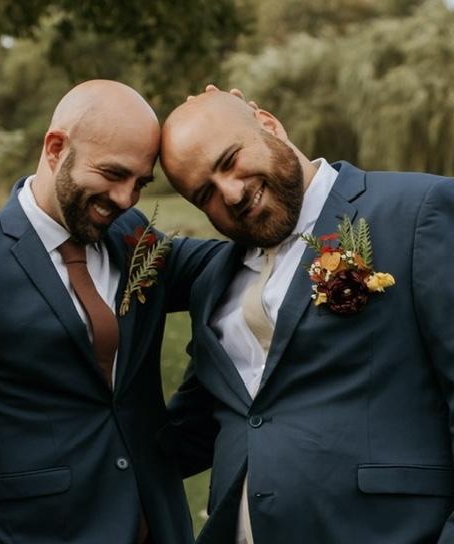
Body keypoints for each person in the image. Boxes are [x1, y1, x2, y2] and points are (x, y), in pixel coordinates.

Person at [0, 80, 220, 544]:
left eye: (140, 183)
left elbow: (223, 266)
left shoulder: (130, 236)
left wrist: (238, 131)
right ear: (56, 148)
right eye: (113, 174)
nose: (125, 198)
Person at [159, 90, 454, 544]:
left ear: (269, 124)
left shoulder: (418, 211)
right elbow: (200, 429)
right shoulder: (213, 282)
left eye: (230, 160)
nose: (231, 193)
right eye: (205, 194)